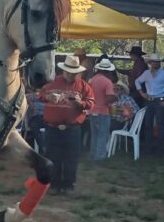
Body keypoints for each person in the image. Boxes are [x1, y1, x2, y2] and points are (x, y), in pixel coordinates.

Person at [40, 55, 95, 195]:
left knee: (71, 158)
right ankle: (54, 184)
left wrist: (80, 104)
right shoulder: (51, 83)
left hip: (73, 129)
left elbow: (91, 103)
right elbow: (40, 95)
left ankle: (68, 185)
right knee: (53, 157)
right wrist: (47, 97)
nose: (70, 75)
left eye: (73, 73)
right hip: (53, 128)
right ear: (63, 71)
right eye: (68, 72)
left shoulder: (83, 86)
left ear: (77, 73)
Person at [134, 53, 164, 154]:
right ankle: (148, 147)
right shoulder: (146, 73)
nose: (155, 63)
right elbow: (137, 81)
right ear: (150, 63)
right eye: (153, 61)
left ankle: (159, 148)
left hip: (160, 99)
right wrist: (142, 93)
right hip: (149, 99)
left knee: (160, 124)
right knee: (148, 124)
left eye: (157, 61)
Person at [89, 58, 117, 161]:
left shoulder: (92, 80)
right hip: (103, 111)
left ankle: (93, 154)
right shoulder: (107, 82)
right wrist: (115, 97)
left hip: (92, 111)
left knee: (94, 135)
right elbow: (109, 98)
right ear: (108, 70)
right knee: (102, 135)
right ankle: (100, 156)